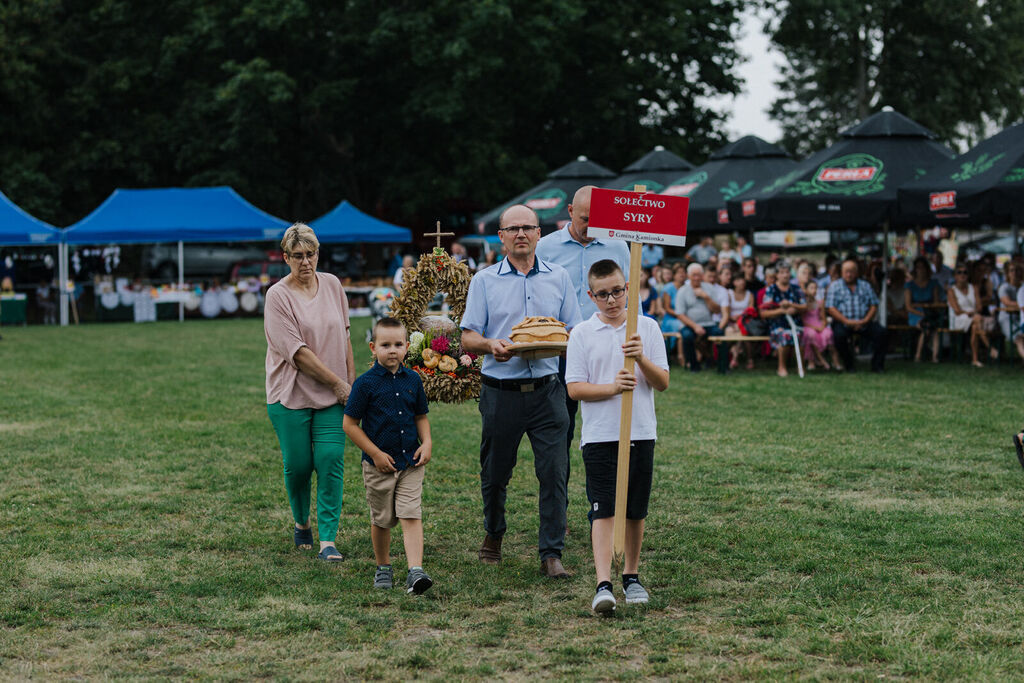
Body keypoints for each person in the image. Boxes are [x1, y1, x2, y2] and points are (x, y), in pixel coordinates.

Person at [461, 204, 583, 579]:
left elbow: (575, 331)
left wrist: (560, 341)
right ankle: (494, 535)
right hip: (501, 391)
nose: (520, 234)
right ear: (500, 237)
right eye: (512, 229)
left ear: (538, 234)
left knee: (554, 471)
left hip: (549, 391)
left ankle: (551, 553)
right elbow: (467, 337)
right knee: (496, 471)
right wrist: (490, 345)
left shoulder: (559, 277)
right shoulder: (484, 280)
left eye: (527, 227)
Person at [565, 259, 669, 614]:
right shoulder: (580, 333)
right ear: (592, 296)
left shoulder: (647, 328)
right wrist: (612, 387)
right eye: (603, 294)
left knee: (635, 509)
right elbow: (575, 389)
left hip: (640, 430)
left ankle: (632, 575)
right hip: (600, 435)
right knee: (603, 510)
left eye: (618, 291)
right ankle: (603, 583)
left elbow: (663, 382)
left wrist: (640, 358)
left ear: (629, 288)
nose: (612, 300)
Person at [536, 185, 630, 528]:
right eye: (585, 218)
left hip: (604, 352)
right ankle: (557, 512)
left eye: (597, 219)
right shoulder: (545, 246)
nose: (591, 225)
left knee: (603, 433)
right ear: (570, 210)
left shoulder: (619, 246)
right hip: (558, 354)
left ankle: (602, 506)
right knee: (560, 434)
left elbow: (628, 296)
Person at [264, 223, 354, 561]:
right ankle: (301, 522)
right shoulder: (277, 296)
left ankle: (328, 540)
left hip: (335, 396)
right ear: (286, 258)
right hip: (290, 394)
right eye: (298, 256)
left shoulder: (332, 285)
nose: (306, 262)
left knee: (330, 461)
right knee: (299, 465)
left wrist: (351, 385)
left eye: (311, 254)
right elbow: (298, 353)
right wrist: (338, 383)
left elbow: (345, 336)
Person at [343, 317, 434, 594]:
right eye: (385, 345)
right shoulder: (365, 384)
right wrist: (375, 453)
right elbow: (349, 425)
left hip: (410, 462)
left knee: (410, 513)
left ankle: (415, 571)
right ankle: (383, 566)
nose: (392, 350)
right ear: (373, 348)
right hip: (379, 466)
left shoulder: (413, 380)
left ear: (407, 347)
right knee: (382, 519)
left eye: (397, 344)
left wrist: (427, 441)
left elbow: (420, 415)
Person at [826, 258, 887, 373]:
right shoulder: (835, 286)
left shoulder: (865, 286)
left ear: (857, 272)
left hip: (864, 322)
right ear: (842, 273)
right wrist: (846, 321)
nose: (849, 274)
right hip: (843, 322)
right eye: (846, 271)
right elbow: (831, 308)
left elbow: (874, 304)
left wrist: (865, 320)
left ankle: (877, 366)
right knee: (839, 336)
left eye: (851, 271)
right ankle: (849, 364)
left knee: (881, 333)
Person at [675, 263, 725, 373]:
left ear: (702, 275)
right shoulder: (682, 291)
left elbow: (717, 310)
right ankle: (694, 366)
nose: (696, 278)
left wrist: (706, 297)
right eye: (694, 275)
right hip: (690, 325)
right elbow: (680, 314)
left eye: (699, 275)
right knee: (687, 336)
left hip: (708, 323)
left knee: (720, 334)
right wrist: (695, 326)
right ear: (688, 276)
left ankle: (722, 366)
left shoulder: (709, 288)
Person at [760, 262, 807, 377]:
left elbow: (804, 306)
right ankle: (781, 367)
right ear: (777, 275)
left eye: (787, 272)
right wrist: (782, 311)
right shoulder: (771, 290)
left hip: (794, 323)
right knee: (785, 335)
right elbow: (764, 313)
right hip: (777, 323)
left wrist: (793, 306)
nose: (785, 275)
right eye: (782, 272)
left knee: (799, 335)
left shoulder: (796, 289)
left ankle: (800, 367)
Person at [947, 264, 988, 367]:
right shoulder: (951, 291)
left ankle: (975, 359)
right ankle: (989, 346)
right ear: (955, 276)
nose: (962, 275)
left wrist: (972, 313)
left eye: (965, 272)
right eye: (959, 272)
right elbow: (956, 310)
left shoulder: (974, 288)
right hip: (959, 318)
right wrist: (968, 313)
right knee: (977, 320)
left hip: (974, 317)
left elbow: (979, 307)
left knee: (975, 325)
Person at [904, 256, 943, 363]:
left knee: (933, 328)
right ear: (915, 269)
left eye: (923, 267)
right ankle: (918, 355)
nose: (921, 270)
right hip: (915, 314)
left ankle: (934, 356)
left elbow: (936, 302)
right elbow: (908, 306)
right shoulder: (909, 285)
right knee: (926, 325)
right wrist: (921, 313)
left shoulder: (933, 283)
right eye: (918, 267)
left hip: (929, 312)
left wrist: (928, 310)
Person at [800, 280, 839, 370]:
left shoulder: (820, 303)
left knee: (828, 333)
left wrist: (822, 326)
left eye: (815, 288)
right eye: (811, 288)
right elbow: (802, 320)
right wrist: (814, 327)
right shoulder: (802, 304)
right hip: (808, 326)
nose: (814, 290)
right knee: (811, 334)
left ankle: (835, 361)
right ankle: (814, 361)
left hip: (819, 325)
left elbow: (823, 317)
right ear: (805, 290)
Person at [726, 272, 755, 370]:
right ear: (734, 282)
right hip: (731, 322)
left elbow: (751, 311)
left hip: (745, 322)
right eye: (738, 280)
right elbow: (726, 310)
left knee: (742, 331)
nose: (742, 282)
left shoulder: (749, 295)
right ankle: (744, 358)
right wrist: (732, 318)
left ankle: (735, 358)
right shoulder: (729, 293)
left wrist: (740, 318)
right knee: (731, 331)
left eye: (742, 280)